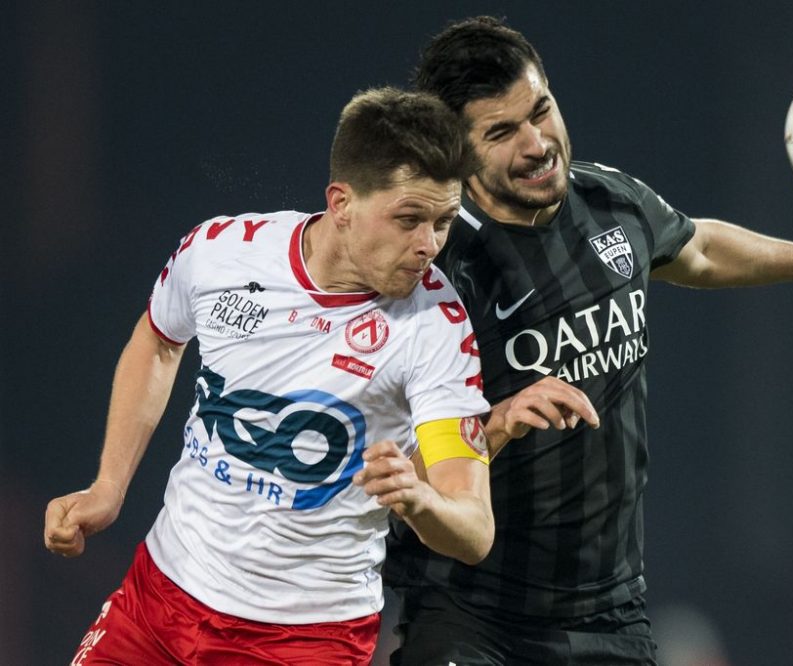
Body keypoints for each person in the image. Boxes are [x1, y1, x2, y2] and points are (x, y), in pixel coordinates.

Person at [383, 16, 793, 665]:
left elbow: (700, 248)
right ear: (455, 150)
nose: (538, 142)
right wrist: (499, 424)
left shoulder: (611, 202)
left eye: (540, 110)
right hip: (473, 617)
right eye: (501, 132)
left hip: (610, 615)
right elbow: (399, 483)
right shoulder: (434, 270)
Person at [45, 86, 514, 665]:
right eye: (409, 219)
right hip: (158, 600)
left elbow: (472, 530)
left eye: (443, 222)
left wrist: (419, 501)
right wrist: (109, 487)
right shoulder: (221, 252)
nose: (429, 247)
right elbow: (159, 341)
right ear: (341, 202)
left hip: (303, 642)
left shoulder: (435, 328)